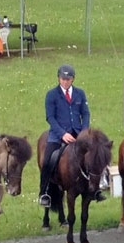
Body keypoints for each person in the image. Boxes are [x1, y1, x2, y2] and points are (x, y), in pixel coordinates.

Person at [39, 64, 105, 207]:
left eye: (68, 79)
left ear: (73, 80)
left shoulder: (80, 93)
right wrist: (62, 134)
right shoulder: (52, 95)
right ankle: (44, 192)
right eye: (63, 79)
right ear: (59, 78)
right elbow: (50, 117)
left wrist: (84, 131)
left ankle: (97, 188)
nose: (65, 81)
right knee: (47, 160)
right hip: (58, 135)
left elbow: (85, 113)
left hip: (79, 134)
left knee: (97, 154)